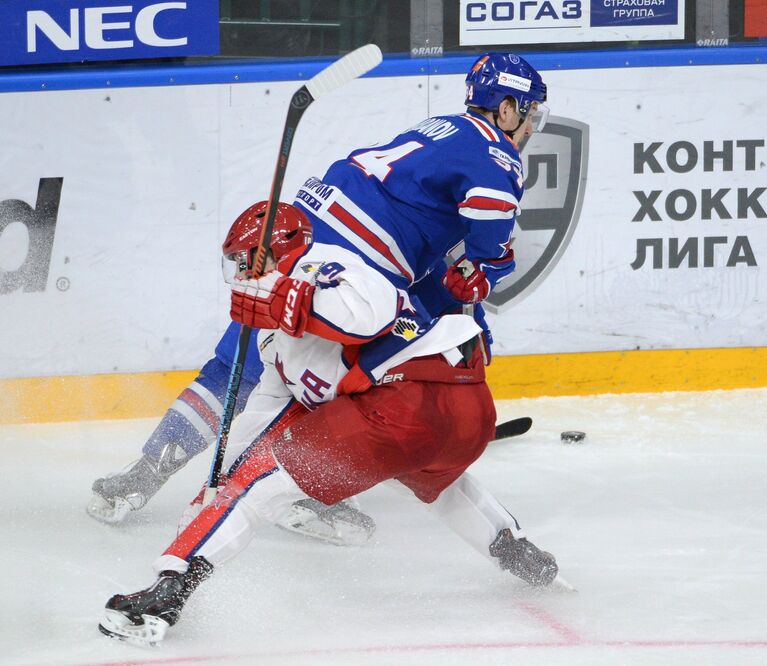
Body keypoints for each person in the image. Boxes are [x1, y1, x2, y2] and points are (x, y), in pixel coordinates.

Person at [97, 200, 559, 646]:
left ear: (281, 252)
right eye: (233, 267)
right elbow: (265, 414)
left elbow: (366, 317)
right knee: (431, 480)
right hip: (450, 419)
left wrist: (283, 298)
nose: (238, 278)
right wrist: (220, 481)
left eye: (245, 263)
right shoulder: (273, 342)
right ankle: (514, 549)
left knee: (258, 482)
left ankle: (169, 591)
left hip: (409, 397)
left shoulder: (327, 265)